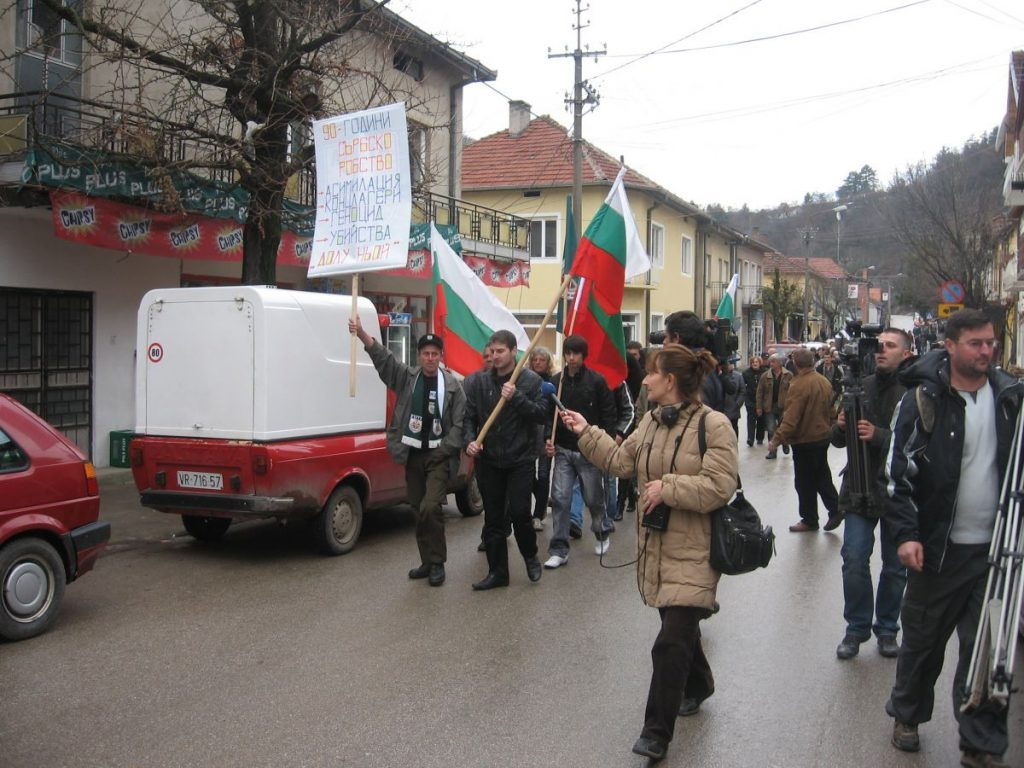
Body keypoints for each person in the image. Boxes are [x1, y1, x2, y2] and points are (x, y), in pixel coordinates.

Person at [559, 343, 738, 762]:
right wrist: (586, 431)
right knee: (680, 630)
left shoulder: (713, 426)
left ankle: (656, 733)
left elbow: (721, 485)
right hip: (655, 547)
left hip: (694, 550)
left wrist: (668, 487)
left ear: (669, 380)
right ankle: (700, 683)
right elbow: (621, 462)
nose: (646, 379)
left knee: (669, 642)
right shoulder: (652, 422)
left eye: (652, 373)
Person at [883, 309, 1023, 766]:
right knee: (922, 644)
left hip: (996, 551)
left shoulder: (1009, 398)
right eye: (976, 343)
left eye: (991, 343)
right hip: (937, 549)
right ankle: (907, 714)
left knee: (986, 646)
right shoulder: (924, 398)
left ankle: (979, 741)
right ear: (950, 345)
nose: (987, 351)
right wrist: (906, 535)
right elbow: (896, 474)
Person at [349, 317, 465, 587]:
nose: (430, 358)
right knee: (416, 508)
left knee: (430, 507)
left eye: (435, 354)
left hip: (439, 456)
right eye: (426, 354)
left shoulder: (452, 386)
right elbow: (385, 361)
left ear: (440, 356)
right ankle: (426, 561)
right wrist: (363, 335)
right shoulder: (407, 379)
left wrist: (446, 450)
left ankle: (438, 563)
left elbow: (459, 425)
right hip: (412, 454)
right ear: (419, 356)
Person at [830, 329, 914, 661]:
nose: (882, 351)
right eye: (879, 346)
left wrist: (878, 435)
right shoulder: (859, 387)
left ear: (905, 354)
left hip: (898, 490)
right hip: (858, 488)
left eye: (890, 346)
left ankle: (888, 629)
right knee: (853, 559)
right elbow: (836, 442)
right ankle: (856, 629)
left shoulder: (914, 392)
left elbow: (920, 441)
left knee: (895, 566)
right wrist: (840, 426)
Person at [464, 330, 549, 590]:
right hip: (489, 460)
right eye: (493, 351)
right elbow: (469, 416)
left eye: (501, 351)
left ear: (514, 351)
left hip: (520, 458)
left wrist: (517, 397)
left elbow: (541, 415)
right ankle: (498, 572)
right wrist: (470, 440)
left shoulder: (530, 381)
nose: (496, 356)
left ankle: (530, 555)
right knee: (493, 519)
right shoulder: (479, 382)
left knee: (520, 512)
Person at [544, 335, 617, 568]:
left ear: (583, 355)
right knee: (560, 499)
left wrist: (603, 442)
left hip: (589, 449)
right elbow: (548, 416)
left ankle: (601, 530)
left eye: (575, 353)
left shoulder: (596, 381)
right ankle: (559, 549)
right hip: (564, 449)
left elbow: (608, 414)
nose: (571, 357)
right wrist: (549, 438)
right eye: (567, 353)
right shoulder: (556, 382)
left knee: (594, 498)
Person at [767, 348, 842, 533]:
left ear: (796, 363)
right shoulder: (823, 381)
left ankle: (811, 518)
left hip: (805, 440)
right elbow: (831, 409)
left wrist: (776, 439)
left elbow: (792, 416)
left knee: (804, 482)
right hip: (822, 436)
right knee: (821, 476)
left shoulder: (799, 384)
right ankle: (835, 509)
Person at [663, 310, 735, 413]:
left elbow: (697, 419)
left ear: (676, 338)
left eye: (666, 336)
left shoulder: (694, 373)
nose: (663, 342)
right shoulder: (701, 367)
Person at [529, 346, 555, 531]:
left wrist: (550, 435)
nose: (538, 362)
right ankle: (543, 498)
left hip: (547, 432)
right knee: (528, 474)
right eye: (535, 359)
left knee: (544, 473)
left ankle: (537, 515)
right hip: (529, 432)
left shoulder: (553, 383)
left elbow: (553, 413)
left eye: (542, 359)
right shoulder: (527, 381)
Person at [755, 354, 792, 459]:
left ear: (780, 363)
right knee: (771, 429)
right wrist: (759, 407)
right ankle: (773, 451)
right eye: (770, 362)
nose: (771, 364)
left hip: (784, 407)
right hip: (769, 406)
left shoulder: (788, 375)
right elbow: (759, 392)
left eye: (773, 362)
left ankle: (785, 443)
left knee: (783, 428)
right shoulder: (765, 376)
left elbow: (794, 391)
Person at [742, 355, 766, 446]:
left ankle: (760, 437)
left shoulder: (765, 372)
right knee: (751, 419)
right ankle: (750, 438)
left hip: (762, 400)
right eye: (753, 362)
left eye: (756, 362)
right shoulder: (746, 373)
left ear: (760, 363)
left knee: (761, 419)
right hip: (750, 400)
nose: (754, 364)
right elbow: (743, 385)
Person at [722, 357, 744, 437]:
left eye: (731, 364)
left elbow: (742, 391)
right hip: (723, 408)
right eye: (728, 364)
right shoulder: (721, 375)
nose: (730, 366)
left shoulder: (738, 376)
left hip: (734, 407)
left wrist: (738, 403)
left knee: (734, 429)